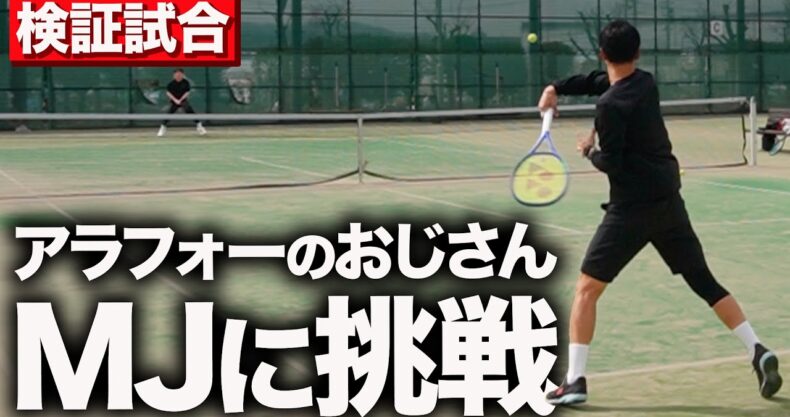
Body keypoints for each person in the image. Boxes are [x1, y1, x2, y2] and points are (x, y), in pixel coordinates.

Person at [540, 20, 782, 406]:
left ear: (602, 54)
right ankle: (757, 349)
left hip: (630, 212)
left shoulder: (609, 107)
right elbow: (600, 82)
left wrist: (589, 151)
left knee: (586, 289)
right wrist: (557, 87)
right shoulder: (646, 83)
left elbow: (613, 163)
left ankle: (574, 381)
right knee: (705, 283)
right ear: (637, 54)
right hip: (669, 204)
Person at [157, 69, 207, 137]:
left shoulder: (186, 82)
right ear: (174, 75)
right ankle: (163, 127)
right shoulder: (171, 84)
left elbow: (187, 92)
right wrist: (175, 100)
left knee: (189, 109)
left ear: (183, 75)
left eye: (180, 74)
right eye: (177, 74)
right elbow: (168, 93)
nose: (178, 75)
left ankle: (199, 126)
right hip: (174, 101)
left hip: (183, 100)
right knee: (169, 113)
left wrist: (180, 100)